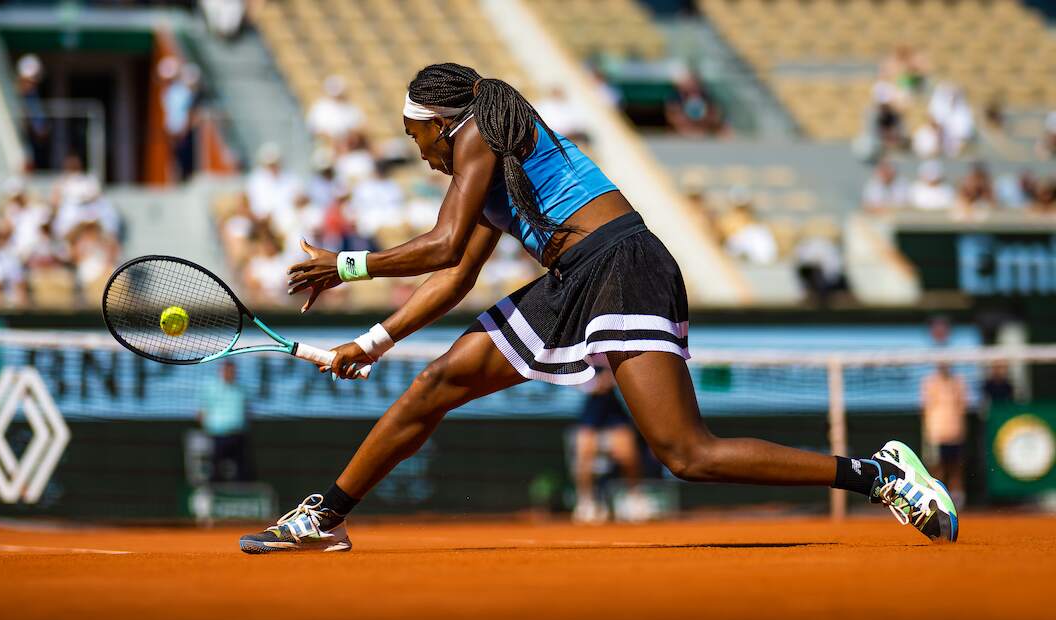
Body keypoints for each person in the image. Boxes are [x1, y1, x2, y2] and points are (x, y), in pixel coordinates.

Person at [239, 62, 958, 554]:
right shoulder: (495, 167)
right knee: (437, 383)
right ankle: (322, 515)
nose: (416, 149)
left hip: (621, 266)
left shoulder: (480, 138)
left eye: (414, 134)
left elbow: (442, 241)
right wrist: (375, 338)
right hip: (577, 278)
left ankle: (878, 473)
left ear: (440, 122)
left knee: (688, 454)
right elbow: (457, 274)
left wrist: (347, 264)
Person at [572, 356, 645, 524]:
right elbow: (572, 378)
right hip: (592, 410)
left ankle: (634, 498)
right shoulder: (581, 350)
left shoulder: (615, 348)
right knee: (584, 455)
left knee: (627, 456)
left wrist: (611, 379)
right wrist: (592, 385)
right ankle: (586, 501)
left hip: (614, 410)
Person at [921, 363, 967, 508]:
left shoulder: (958, 382)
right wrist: (928, 432)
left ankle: (957, 501)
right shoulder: (930, 383)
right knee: (936, 468)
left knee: (955, 468)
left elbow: (962, 407)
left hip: (955, 433)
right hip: (936, 434)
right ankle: (936, 500)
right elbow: (925, 408)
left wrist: (961, 430)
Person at [197, 361, 248, 482]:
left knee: (242, 469)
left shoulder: (241, 390)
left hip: (237, 435)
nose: (230, 373)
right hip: (217, 435)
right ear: (221, 371)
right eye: (227, 370)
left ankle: (240, 493)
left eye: (232, 371)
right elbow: (201, 413)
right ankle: (214, 493)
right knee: (215, 468)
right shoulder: (211, 388)